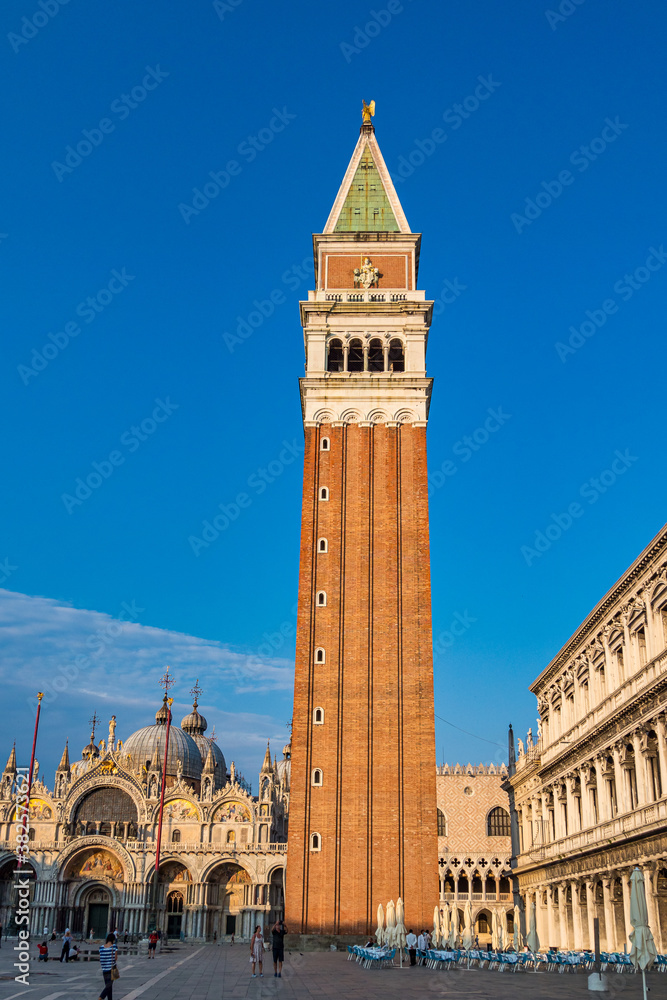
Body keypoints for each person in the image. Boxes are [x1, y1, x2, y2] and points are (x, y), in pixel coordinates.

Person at [98, 931, 118, 1000]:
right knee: (108, 986)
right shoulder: (114, 946)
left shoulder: (101, 948)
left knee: (109, 986)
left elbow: (100, 958)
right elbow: (115, 958)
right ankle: (101, 997)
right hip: (111, 969)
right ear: (113, 940)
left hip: (104, 969)